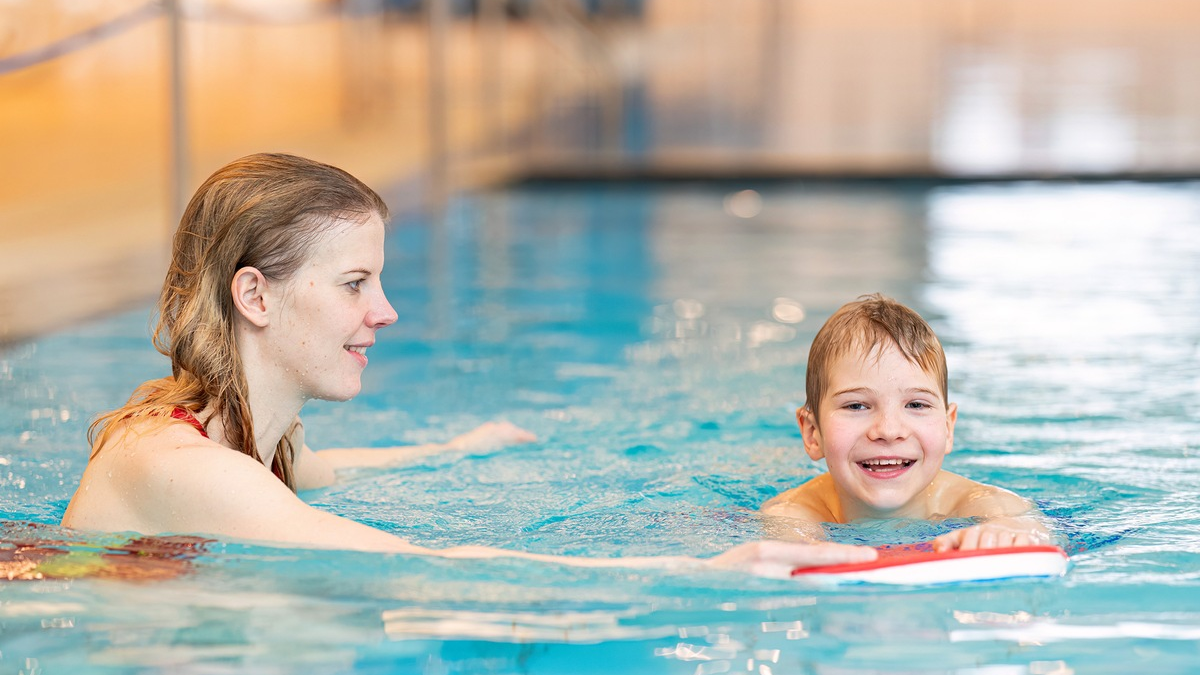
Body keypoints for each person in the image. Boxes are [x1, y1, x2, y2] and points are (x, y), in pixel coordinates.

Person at [62, 152, 875, 578]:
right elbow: (422, 568)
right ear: (257, 295)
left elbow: (325, 472)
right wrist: (694, 569)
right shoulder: (190, 466)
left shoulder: (245, 437)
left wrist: (455, 452)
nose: (385, 311)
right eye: (355, 283)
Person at [761, 293, 1051, 551]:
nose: (888, 431)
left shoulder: (979, 505)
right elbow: (788, 555)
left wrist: (1008, 534)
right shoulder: (793, 514)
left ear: (948, 427)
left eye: (916, 404)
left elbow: (1033, 530)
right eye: (857, 405)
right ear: (813, 434)